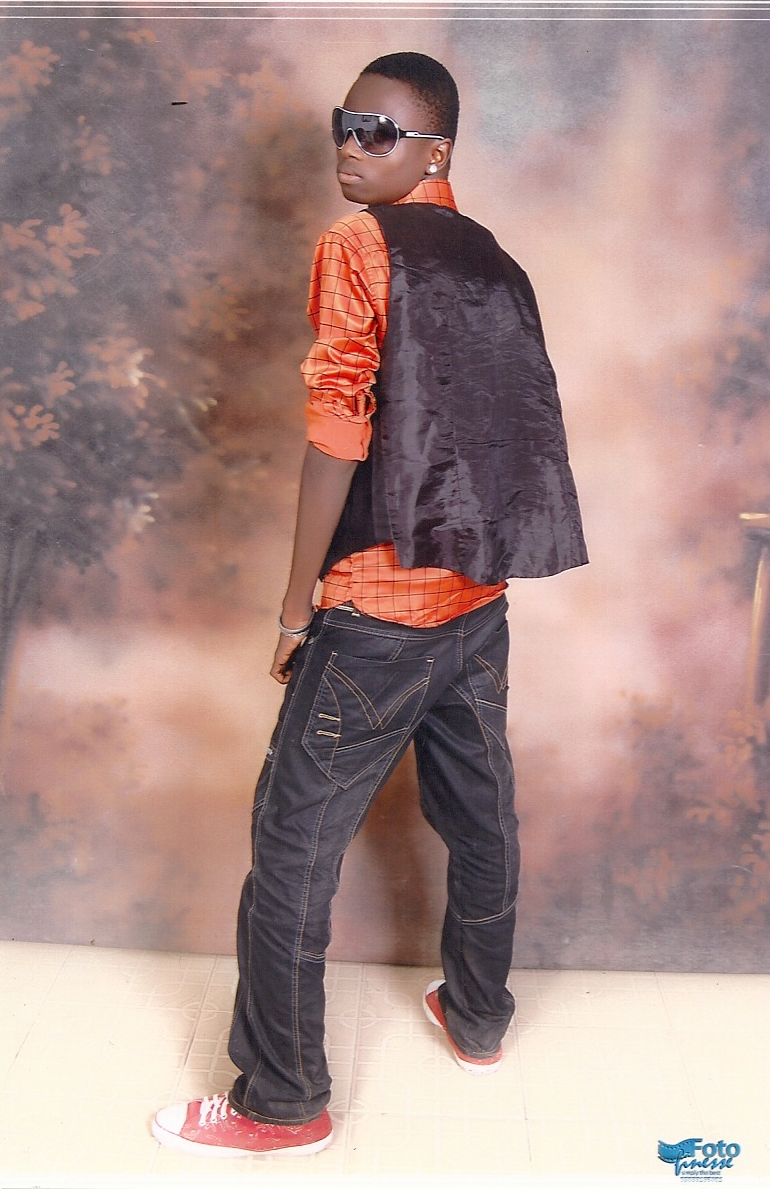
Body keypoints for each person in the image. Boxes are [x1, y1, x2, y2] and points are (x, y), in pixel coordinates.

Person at [152, 51, 587, 1159]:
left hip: (376, 613)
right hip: (474, 604)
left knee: (293, 846)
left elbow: (337, 430)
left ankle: (279, 1102)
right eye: (343, 124)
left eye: (378, 132)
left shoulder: (358, 244)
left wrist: (296, 606)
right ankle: (477, 1017)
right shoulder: (493, 260)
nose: (351, 147)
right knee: (480, 814)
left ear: (435, 149)